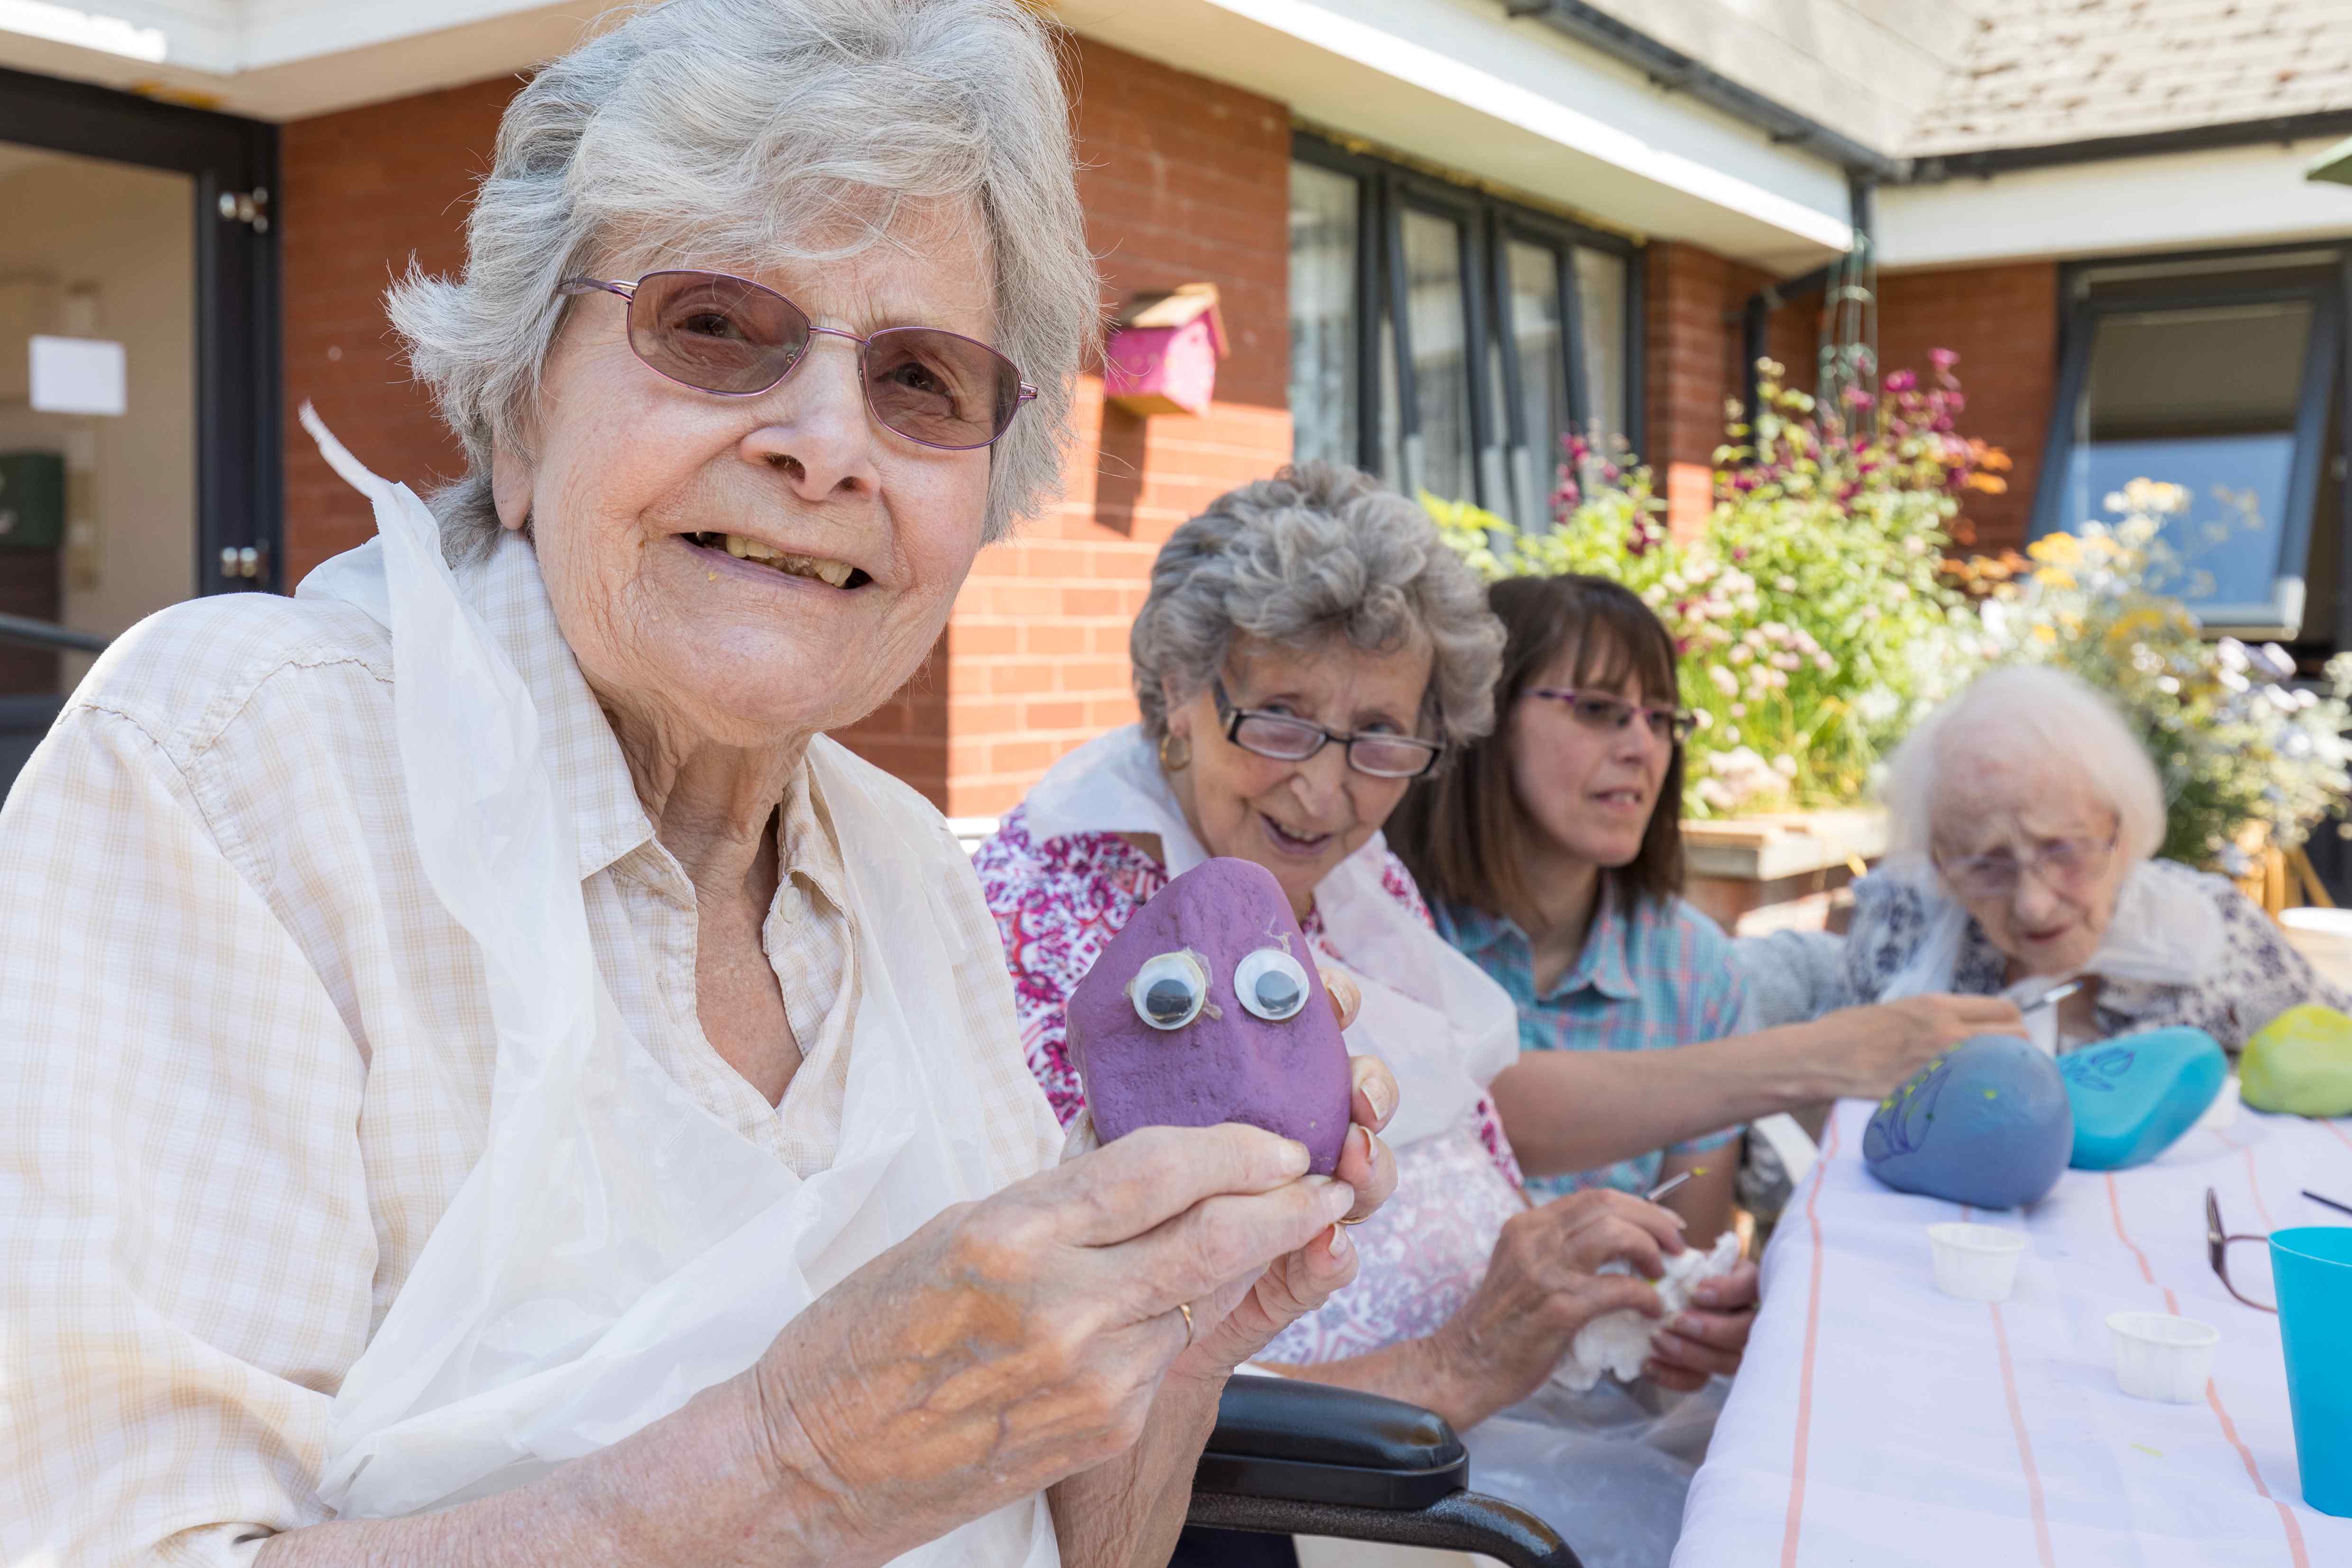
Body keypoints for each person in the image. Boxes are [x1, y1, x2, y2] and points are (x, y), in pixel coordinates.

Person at [0, 5, 1400, 1564]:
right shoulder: (236, 775)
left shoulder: (909, 876)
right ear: (524, 406)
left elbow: (1076, 1549)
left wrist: (1178, 1298)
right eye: (717, 327)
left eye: (922, 381)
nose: (823, 446)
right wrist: (793, 1461)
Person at [976, 466, 1759, 1565]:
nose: (1326, 792)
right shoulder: (1069, 918)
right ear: (1172, 695)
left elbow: (1465, 1140)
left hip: (1501, 1425)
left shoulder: (1353, 874)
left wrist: (1599, 1301)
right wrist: (1462, 1361)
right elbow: (1080, 1369)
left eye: (1382, 737)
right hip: (1325, 1506)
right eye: (1280, 720)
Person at [1388, 573, 2028, 1231]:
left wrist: (1699, 1313)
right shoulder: (1379, 927)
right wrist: (1826, 1053)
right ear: (1480, 713)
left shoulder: (1694, 967)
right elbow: (1463, 1108)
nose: (1642, 746)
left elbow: (1691, 1249)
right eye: (1597, 708)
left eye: (1661, 718)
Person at [1820, 663, 2352, 1049]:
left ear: (2121, 830)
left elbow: (2337, 1050)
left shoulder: (2214, 932)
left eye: (2064, 850)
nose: (2033, 905)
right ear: (1938, 861)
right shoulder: (1900, 922)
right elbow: (1818, 1131)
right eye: (1986, 864)